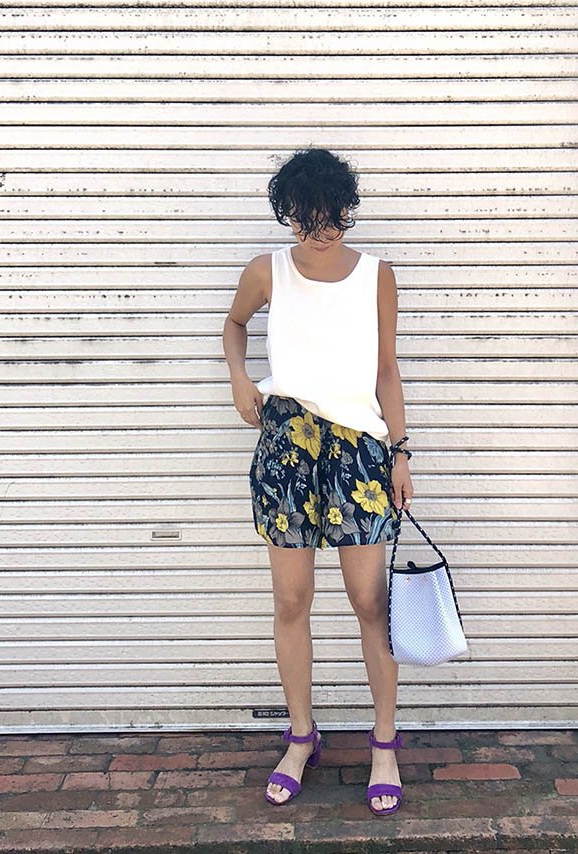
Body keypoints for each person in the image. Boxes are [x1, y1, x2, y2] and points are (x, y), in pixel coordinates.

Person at [222, 147, 414, 815]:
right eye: (307, 217)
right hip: (287, 447)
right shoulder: (266, 271)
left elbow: (386, 368)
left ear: (346, 210)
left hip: (359, 452)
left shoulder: (376, 275)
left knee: (369, 602)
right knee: (291, 601)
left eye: (331, 216)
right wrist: (240, 377)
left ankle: (383, 742)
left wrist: (401, 452)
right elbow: (234, 324)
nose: (320, 229)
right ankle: (301, 735)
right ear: (289, 213)